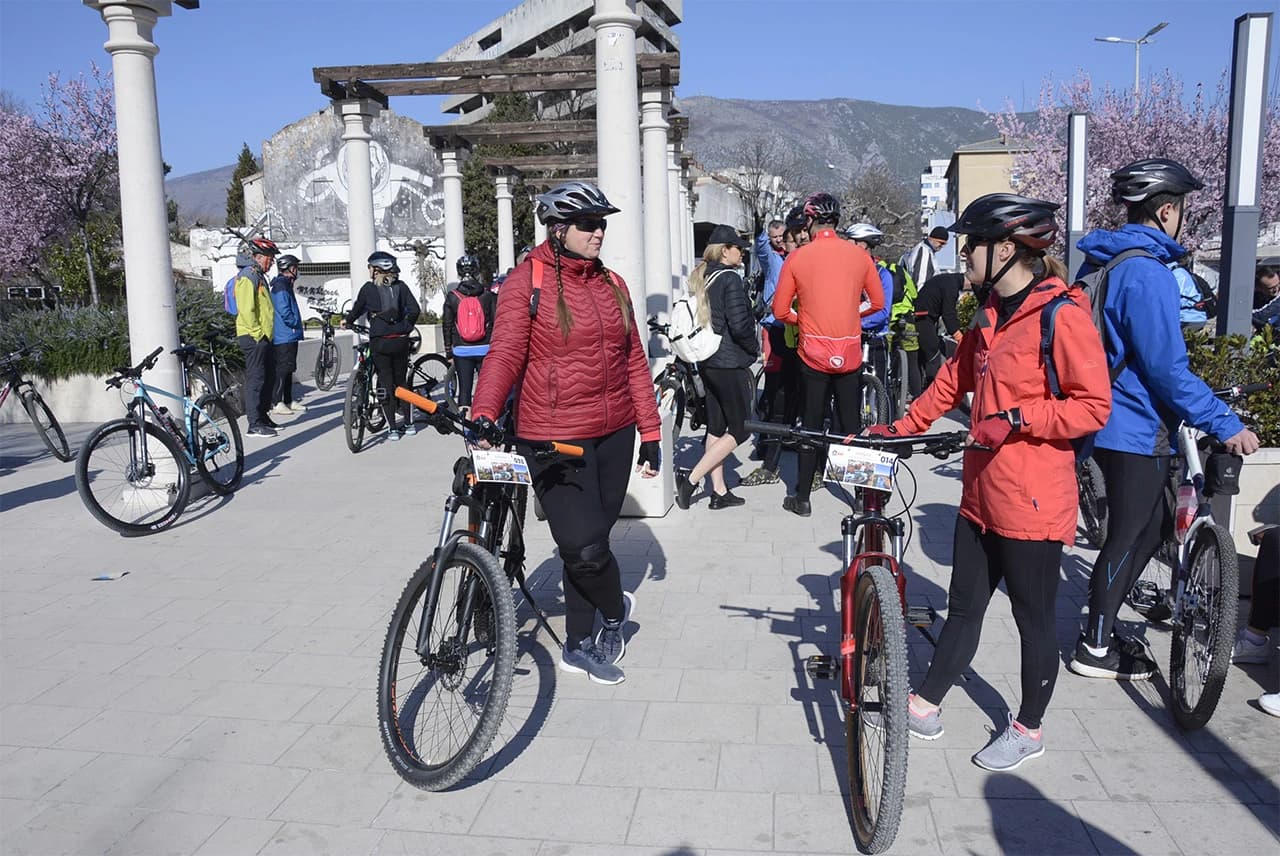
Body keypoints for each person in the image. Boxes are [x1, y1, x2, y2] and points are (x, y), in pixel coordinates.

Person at [870, 193, 1111, 771]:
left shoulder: (1061, 314)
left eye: (969, 246)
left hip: (1033, 501)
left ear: (1005, 249)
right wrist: (902, 426)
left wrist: (1021, 418)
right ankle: (924, 704)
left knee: (1033, 620)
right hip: (979, 496)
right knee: (963, 608)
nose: (963, 256)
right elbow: (952, 378)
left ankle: (1028, 727)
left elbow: (1093, 406)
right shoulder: (988, 315)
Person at [1069, 158, 1261, 680]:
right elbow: (1166, 369)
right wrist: (1225, 422)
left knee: (1149, 527)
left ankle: (1100, 626)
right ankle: (1096, 644)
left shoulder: (1102, 262)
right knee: (1129, 534)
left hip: (1105, 416)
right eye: (1183, 211)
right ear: (1168, 210)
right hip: (1135, 423)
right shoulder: (1148, 273)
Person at [470, 180, 661, 686]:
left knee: (594, 540)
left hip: (616, 431)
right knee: (582, 548)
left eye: (602, 224)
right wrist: (485, 410)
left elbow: (634, 362)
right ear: (558, 230)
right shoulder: (524, 283)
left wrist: (652, 431)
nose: (599, 232)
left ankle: (578, 645)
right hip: (553, 435)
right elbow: (506, 353)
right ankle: (616, 611)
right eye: (588, 224)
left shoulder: (613, 284)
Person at [771, 192, 885, 517]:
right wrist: (849, 313)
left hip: (813, 351)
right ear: (836, 221)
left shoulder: (798, 257)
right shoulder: (858, 255)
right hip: (848, 350)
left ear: (809, 220)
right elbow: (877, 304)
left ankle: (802, 497)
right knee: (851, 425)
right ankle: (865, 497)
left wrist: (803, 319)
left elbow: (780, 311)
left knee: (810, 422)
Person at [674, 225, 759, 509]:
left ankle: (719, 492)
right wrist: (752, 348)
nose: (742, 252)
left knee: (716, 425)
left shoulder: (705, 276)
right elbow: (739, 324)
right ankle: (691, 480)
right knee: (741, 428)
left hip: (708, 361)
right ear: (725, 251)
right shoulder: (731, 279)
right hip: (728, 362)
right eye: (738, 248)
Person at [342, 251, 421, 441]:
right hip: (400, 340)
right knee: (401, 382)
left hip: (380, 342)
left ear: (376, 269)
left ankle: (393, 429)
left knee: (385, 383)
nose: (369, 271)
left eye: (370, 267)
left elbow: (357, 309)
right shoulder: (401, 286)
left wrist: (347, 321)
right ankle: (409, 424)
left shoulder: (368, 289)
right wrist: (405, 327)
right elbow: (415, 309)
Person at [742, 219, 791, 486]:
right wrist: (761, 233)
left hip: (793, 326)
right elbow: (760, 249)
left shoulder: (794, 255)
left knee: (784, 386)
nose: (779, 240)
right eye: (775, 236)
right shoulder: (772, 259)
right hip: (774, 325)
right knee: (773, 383)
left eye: (782, 235)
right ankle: (766, 433)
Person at [234, 237, 280, 438]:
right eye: (269, 259)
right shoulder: (248, 276)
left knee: (269, 376)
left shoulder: (259, 276)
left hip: (264, 337)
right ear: (258, 257)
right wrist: (257, 335)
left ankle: (263, 416)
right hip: (253, 337)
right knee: (256, 379)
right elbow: (246, 309)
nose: (271, 263)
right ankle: (254, 423)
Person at [844, 223, 896, 401]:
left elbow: (883, 310)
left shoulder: (882, 274)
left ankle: (883, 422)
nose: (847, 246)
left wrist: (857, 324)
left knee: (881, 388)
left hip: (874, 336)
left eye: (852, 242)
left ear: (864, 245)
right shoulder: (846, 272)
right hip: (849, 337)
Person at [442, 252, 497, 417]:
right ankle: (486, 421)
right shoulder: (488, 295)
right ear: (477, 271)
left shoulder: (452, 297)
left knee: (465, 389)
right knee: (486, 387)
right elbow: (496, 322)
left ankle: (467, 427)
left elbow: (447, 325)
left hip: (462, 350)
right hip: (485, 348)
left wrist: (448, 351)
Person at [914, 272, 966, 389]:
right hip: (923, 318)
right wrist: (959, 337)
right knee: (933, 355)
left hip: (920, 317)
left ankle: (918, 390)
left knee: (923, 356)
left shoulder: (947, 279)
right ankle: (928, 392)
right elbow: (948, 315)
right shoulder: (952, 286)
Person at [269, 254, 305, 416]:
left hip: (290, 334)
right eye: (295, 267)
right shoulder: (281, 285)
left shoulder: (286, 284)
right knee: (282, 369)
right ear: (288, 268)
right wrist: (293, 323)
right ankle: (277, 402)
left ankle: (289, 400)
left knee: (289, 368)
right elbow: (284, 309)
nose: (297, 270)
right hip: (284, 335)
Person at [900, 225, 950, 298]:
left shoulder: (924, 249)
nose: (941, 246)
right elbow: (920, 281)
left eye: (944, 244)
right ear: (931, 239)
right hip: (921, 299)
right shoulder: (924, 252)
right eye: (940, 243)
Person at [1253, 265, 1280, 331]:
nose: (1276, 289)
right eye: (1271, 288)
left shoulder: (1278, 302)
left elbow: (1261, 316)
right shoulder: (1256, 296)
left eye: (1278, 284)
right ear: (1259, 288)